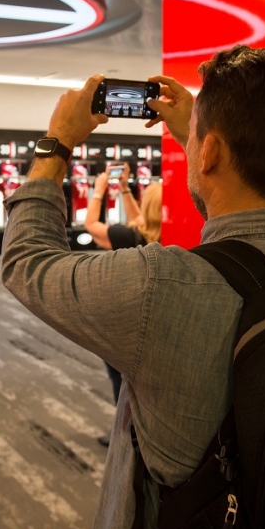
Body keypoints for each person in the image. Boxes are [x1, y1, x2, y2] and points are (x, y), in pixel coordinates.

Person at [2, 44, 265, 529]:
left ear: (212, 151)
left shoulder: (158, 285)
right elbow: (246, 251)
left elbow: (27, 261)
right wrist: (199, 139)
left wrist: (58, 141)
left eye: (201, 135)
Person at [83, 166, 162, 446]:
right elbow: (140, 218)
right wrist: (126, 189)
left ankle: (126, 433)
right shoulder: (163, 235)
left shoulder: (129, 237)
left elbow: (91, 225)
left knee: (121, 379)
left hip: (129, 316)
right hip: (159, 316)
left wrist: (99, 190)